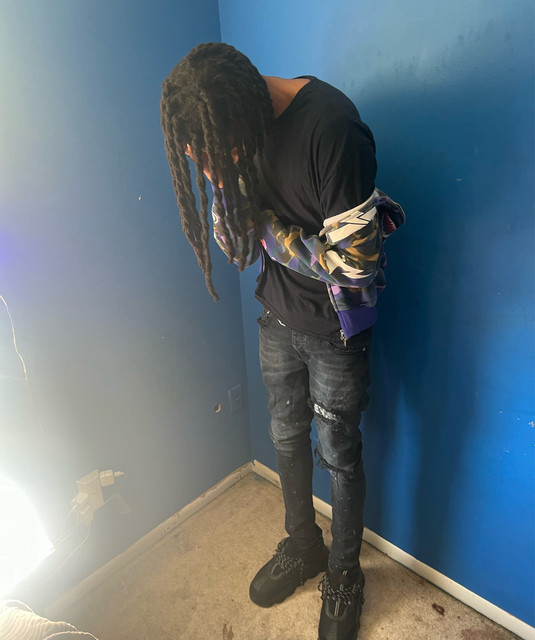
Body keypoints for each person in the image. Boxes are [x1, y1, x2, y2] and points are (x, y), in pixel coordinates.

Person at [160, 42, 404, 640]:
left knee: (339, 455)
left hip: (336, 330)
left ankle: (344, 574)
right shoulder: (229, 130)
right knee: (286, 438)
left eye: (221, 152)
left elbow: (356, 267)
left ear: (245, 110)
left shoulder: (333, 128)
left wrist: (266, 227)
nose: (222, 163)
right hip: (277, 316)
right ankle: (303, 545)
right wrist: (220, 182)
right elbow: (235, 248)